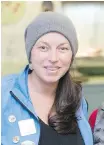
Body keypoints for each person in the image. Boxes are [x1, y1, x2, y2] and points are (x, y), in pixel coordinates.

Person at [2, 12, 93, 145]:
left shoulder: (77, 100)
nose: (53, 58)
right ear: (30, 53)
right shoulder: (4, 94)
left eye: (62, 48)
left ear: (71, 56)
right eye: (43, 48)